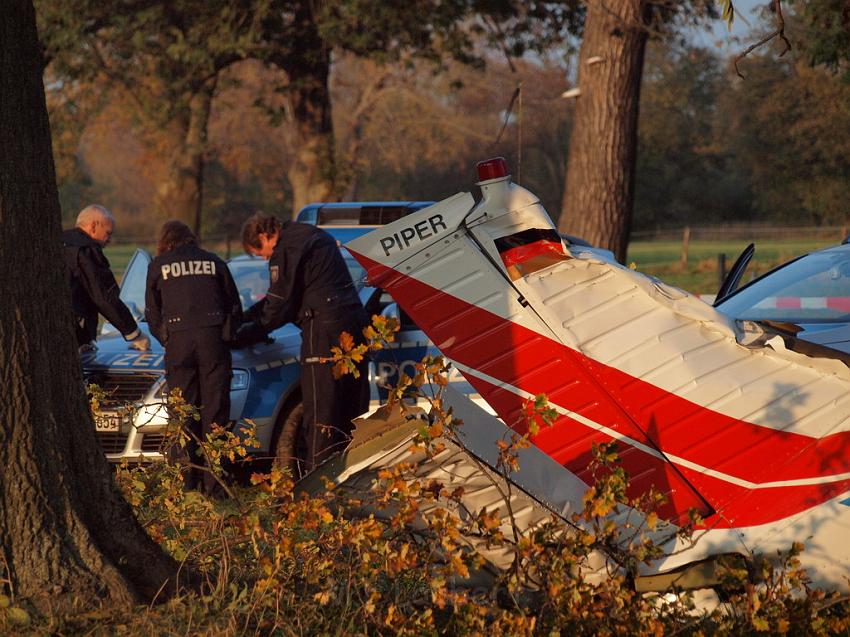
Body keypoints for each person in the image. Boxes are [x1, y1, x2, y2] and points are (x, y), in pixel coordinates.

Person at [238, 213, 370, 473]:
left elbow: (278, 305)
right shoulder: (310, 234)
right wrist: (248, 317)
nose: (264, 258)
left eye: (260, 252)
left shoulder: (287, 247)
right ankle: (352, 477)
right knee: (350, 414)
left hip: (324, 331)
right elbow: (284, 298)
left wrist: (244, 333)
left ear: (265, 236)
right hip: (354, 327)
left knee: (321, 415)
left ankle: (318, 485)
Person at [144, 220, 242, 494]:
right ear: (192, 239)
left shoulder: (158, 266)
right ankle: (216, 486)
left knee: (183, 413)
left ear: (166, 240)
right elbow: (234, 306)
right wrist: (225, 334)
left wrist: (166, 337)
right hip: (213, 341)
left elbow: (151, 312)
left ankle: (186, 484)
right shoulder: (214, 262)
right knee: (215, 413)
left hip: (178, 341)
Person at [62, 204, 150, 352]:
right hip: (74, 333)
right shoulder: (86, 250)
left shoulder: (57, 243)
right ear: (93, 226)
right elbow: (104, 296)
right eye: (108, 233)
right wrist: (134, 334)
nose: (109, 240)